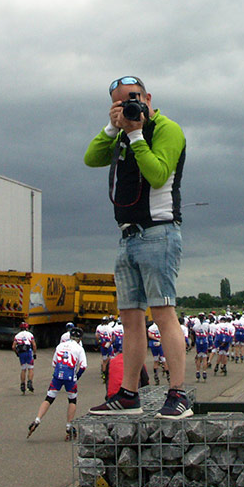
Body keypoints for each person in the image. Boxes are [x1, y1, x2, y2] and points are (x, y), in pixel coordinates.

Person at [84, 75, 190, 419]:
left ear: (148, 96)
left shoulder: (166, 129)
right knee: (130, 318)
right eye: (121, 101)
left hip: (158, 232)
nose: (131, 105)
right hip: (127, 235)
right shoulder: (122, 133)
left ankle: (178, 393)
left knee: (162, 312)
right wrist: (113, 128)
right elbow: (91, 158)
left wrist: (135, 133)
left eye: (134, 98)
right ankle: (129, 393)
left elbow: (159, 174)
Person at [27, 327, 87, 441]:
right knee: (72, 400)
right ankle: (69, 426)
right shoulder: (79, 348)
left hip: (57, 376)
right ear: (79, 338)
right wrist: (77, 376)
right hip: (70, 377)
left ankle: (37, 420)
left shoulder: (60, 346)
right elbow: (83, 366)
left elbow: (54, 363)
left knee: (49, 398)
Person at [12, 322, 37, 394]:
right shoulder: (30, 334)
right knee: (30, 368)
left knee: (23, 369)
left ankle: (22, 384)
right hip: (28, 352)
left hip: (21, 352)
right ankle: (30, 382)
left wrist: (17, 353)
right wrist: (34, 353)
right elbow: (34, 345)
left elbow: (13, 346)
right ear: (27, 328)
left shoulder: (17, 336)